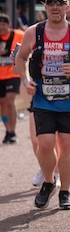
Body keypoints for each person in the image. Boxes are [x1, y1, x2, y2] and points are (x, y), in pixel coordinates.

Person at [15, 0, 70, 209]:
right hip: (43, 97)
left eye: (59, 3)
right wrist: (25, 80)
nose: (55, 7)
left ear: (67, 7)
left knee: (66, 144)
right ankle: (49, 182)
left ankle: (65, 192)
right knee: (44, 144)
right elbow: (21, 57)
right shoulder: (34, 32)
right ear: (45, 6)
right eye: (51, 3)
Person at [0, 14, 24, 143]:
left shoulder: (18, 35)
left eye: (4, 24)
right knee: (2, 105)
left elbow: (29, 43)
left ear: (9, 25)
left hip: (12, 74)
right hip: (0, 76)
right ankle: (7, 129)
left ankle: (13, 131)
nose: (1, 27)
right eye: (0, 24)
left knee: (10, 101)